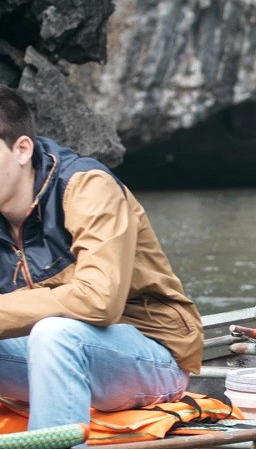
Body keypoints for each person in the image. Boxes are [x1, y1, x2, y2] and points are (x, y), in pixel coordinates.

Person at [0, 87, 203, 433]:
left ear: (22, 149)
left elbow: (99, 301)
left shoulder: (86, 187)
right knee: (51, 336)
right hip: (46, 357)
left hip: (152, 357)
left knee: (55, 334)